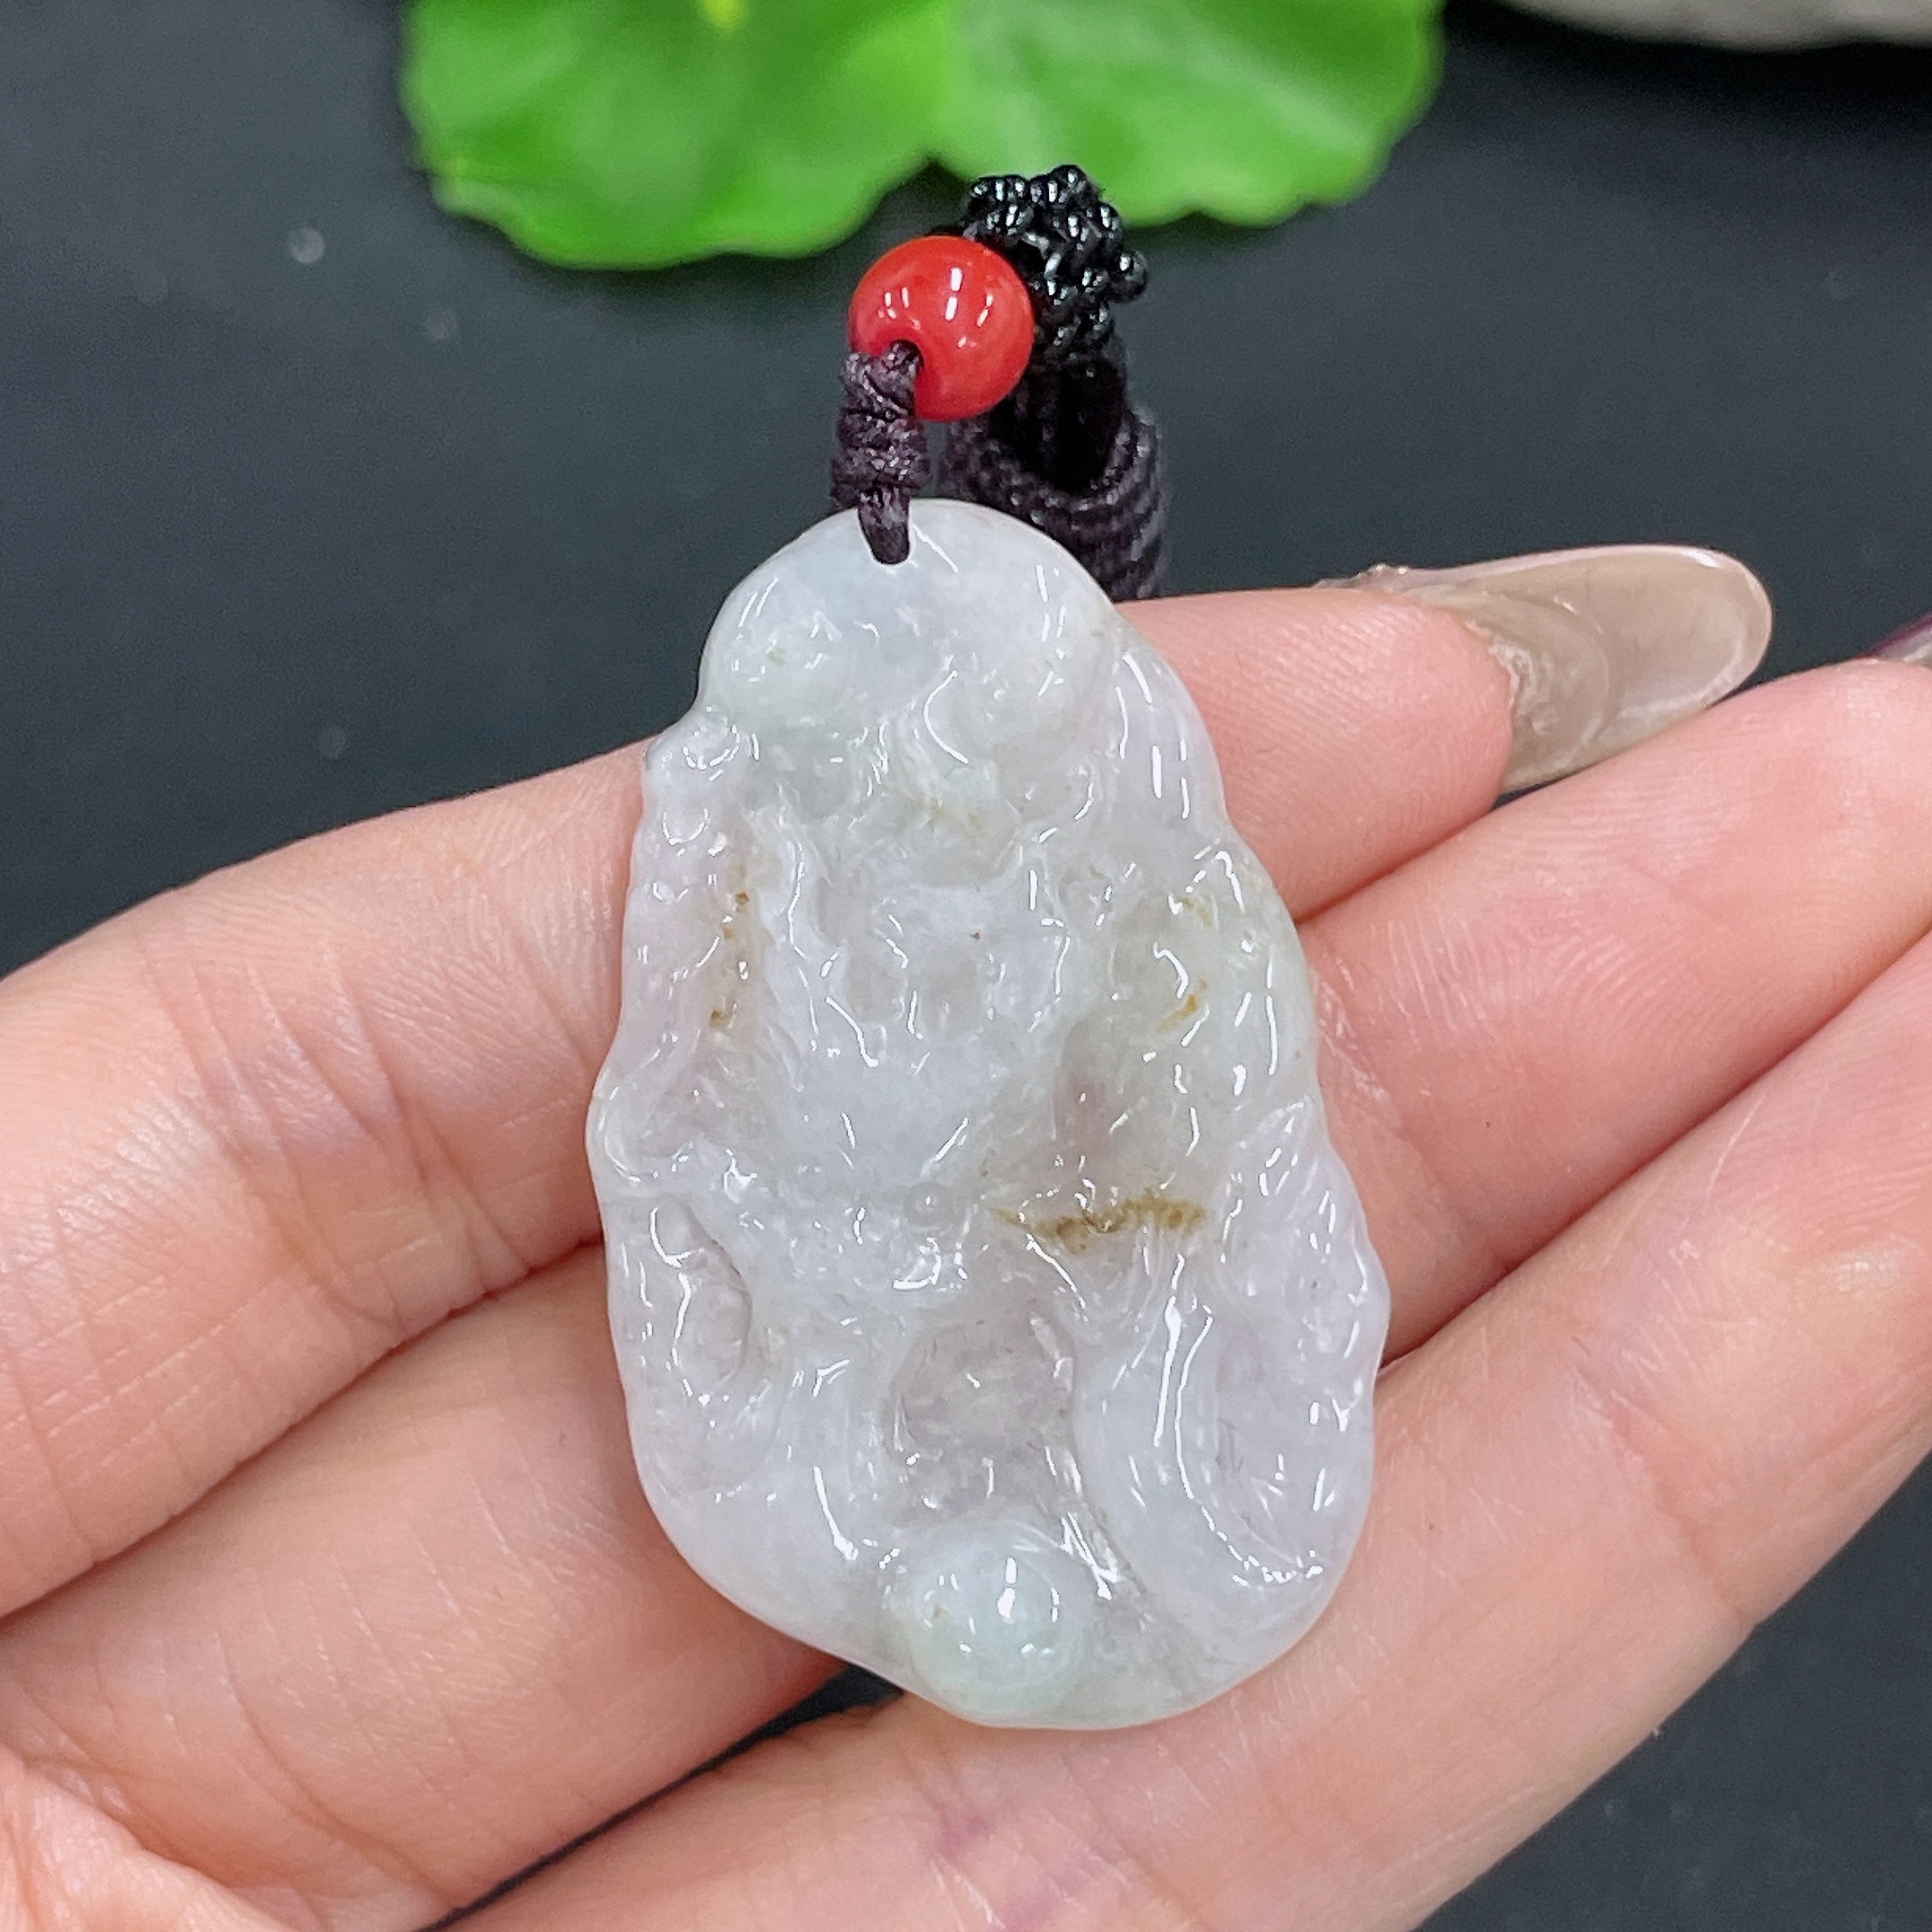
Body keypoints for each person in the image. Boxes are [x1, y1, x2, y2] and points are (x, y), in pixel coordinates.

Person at [0, 562, 1928, 1931]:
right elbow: (722, 1108)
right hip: (865, 1269)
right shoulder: (787, 884)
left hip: (1042, 1280)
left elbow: (1181, 1074)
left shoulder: (1100, 897)